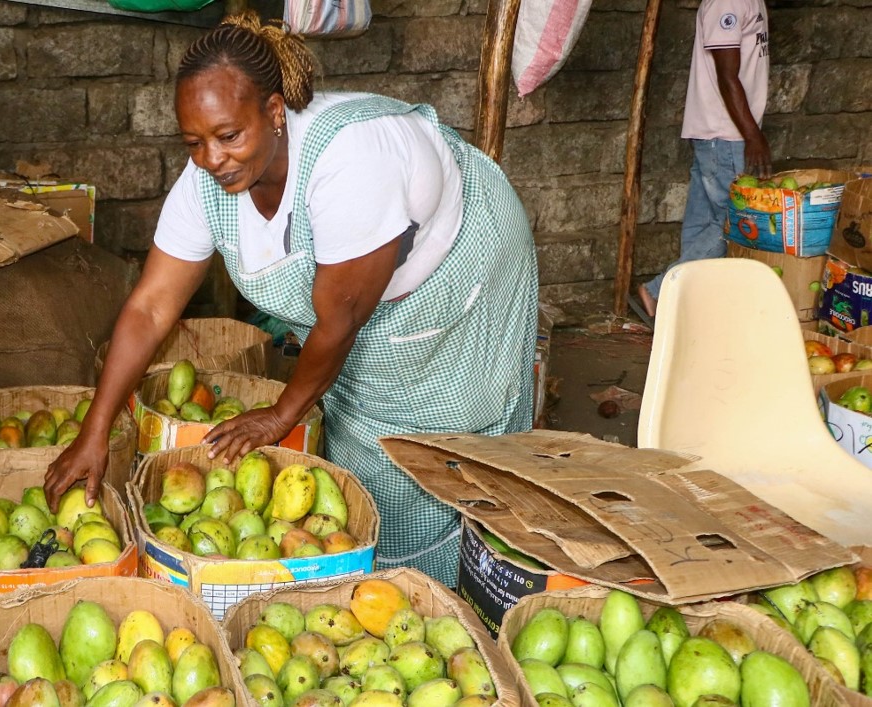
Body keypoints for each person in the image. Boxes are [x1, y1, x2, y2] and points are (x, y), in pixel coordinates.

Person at [43, 13, 538, 584]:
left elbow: (340, 320)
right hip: (354, 303)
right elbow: (152, 305)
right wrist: (96, 429)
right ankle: (381, 579)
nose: (211, 158)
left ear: (275, 112)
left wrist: (279, 415)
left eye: (229, 136)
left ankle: (466, 589)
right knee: (362, 451)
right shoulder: (208, 179)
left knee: (446, 449)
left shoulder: (349, 163)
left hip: (461, 271)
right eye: (194, 142)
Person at [635, 0, 770, 323]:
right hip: (726, 134)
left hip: (720, 133)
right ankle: (657, 291)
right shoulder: (729, 1)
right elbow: (727, 76)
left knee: (703, 223)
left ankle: (682, 307)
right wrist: (753, 135)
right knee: (736, 221)